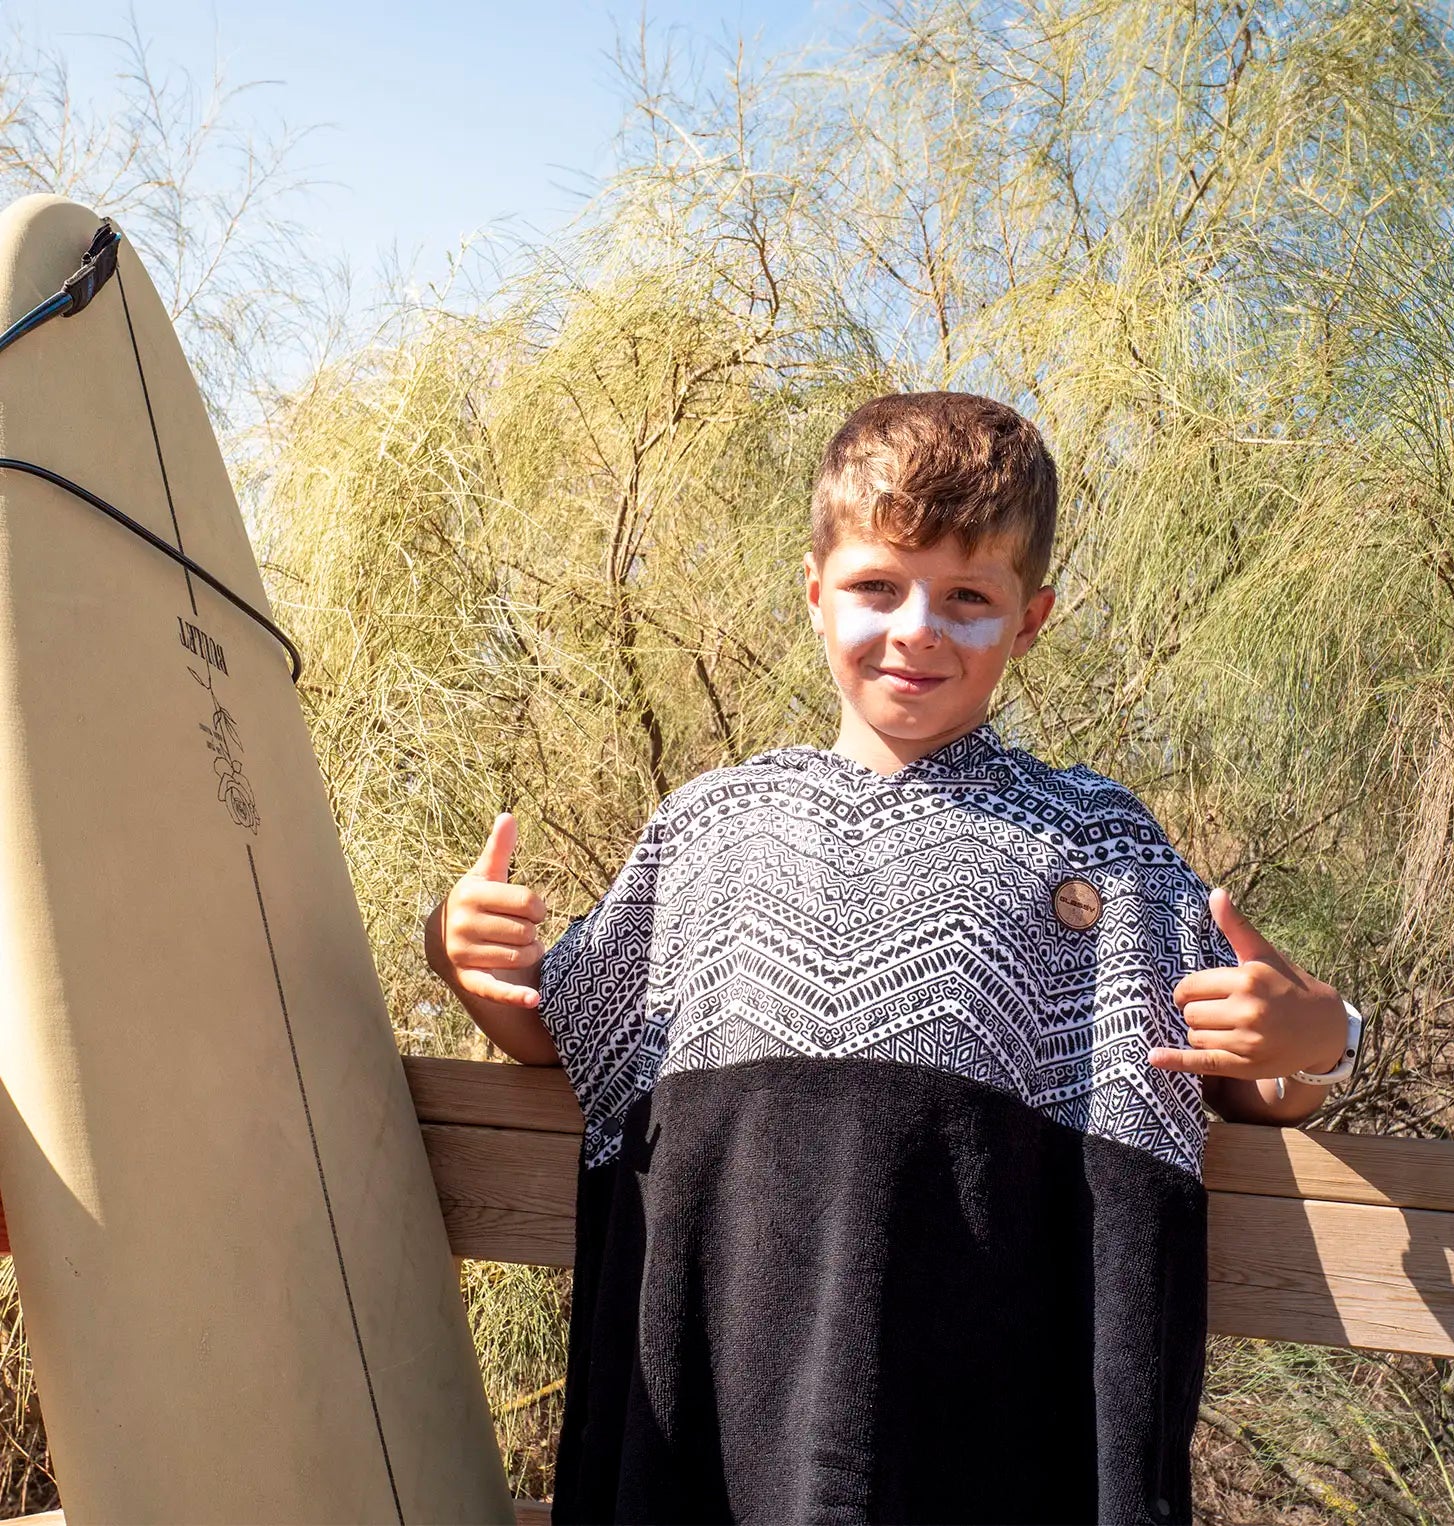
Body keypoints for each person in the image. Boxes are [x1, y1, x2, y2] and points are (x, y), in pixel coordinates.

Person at [424, 392, 1360, 1526]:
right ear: (815, 589)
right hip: (722, 1415)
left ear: (1032, 618)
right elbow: (571, 1029)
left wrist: (1319, 1038)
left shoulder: (1099, 840)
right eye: (879, 584)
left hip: (981, 1424)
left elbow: (1239, 1077)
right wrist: (462, 953)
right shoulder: (713, 822)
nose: (917, 626)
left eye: (968, 596)